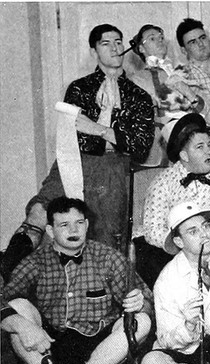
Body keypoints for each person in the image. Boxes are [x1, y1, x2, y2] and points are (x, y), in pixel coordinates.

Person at [1, 24, 154, 280]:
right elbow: (72, 136)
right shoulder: (79, 88)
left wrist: (97, 129)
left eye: (118, 42)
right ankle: (8, 276)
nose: (115, 48)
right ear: (94, 51)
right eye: (106, 43)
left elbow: (140, 146)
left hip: (112, 166)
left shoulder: (138, 96)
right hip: (73, 160)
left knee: (101, 235)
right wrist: (113, 135)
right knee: (39, 211)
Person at [1, 197, 153, 364]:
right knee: (17, 306)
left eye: (79, 223)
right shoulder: (35, 262)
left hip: (101, 346)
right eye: (64, 225)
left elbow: (148, 301)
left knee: (142, 321)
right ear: (50, 230)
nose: (74, 230)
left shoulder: (108, 257)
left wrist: (140, 303)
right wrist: (22, 326)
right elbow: (4, 298)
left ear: (86, 225)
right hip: (50, 342)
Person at [136, 113, 210, 286]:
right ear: (184, 156)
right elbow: (153, 230)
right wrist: (185, 242)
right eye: (200, 147)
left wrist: (204, 233)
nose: (209, 151)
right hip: (174, 251)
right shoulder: (163, 182)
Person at [141, 202, 210, 364]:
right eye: (193, 231)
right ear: (179, 241)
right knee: (151, 362)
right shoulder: (167, 280)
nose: (204, 234)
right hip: (186, 352)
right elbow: (166, 340)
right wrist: (188, 326)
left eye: (205, 226)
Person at [128, 23, 210, 166]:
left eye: (161, 37)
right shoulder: (137, 80)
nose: (160, 40)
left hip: (194, 154)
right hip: (158, 159)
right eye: (152, 38)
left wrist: (188, 93)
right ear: (141, 48)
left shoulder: (184, 73)